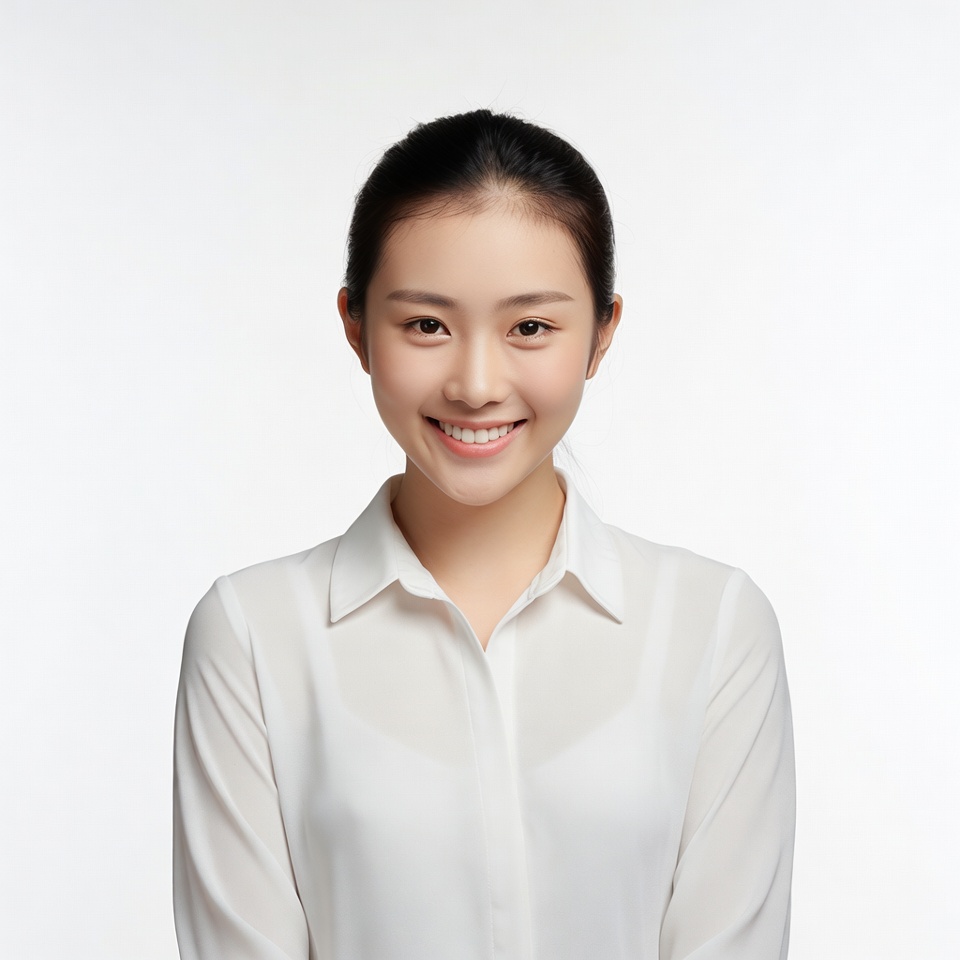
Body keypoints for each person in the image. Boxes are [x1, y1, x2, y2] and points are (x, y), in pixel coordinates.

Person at [173, 109, 795, 960]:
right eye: (425, 325)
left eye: (530, 327)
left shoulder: (715, 625)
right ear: (356, 327)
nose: (474, 382)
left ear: (601, 334)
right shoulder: (250, 635)